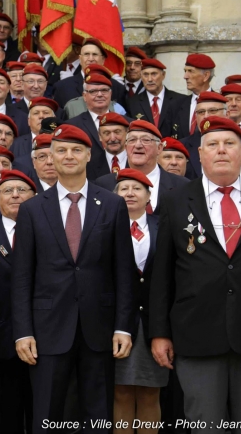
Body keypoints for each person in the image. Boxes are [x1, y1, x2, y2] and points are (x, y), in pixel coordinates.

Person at [149, 117, 241, 434]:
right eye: (212, 145)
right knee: (205, 427)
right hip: (196, 333)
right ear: (199, 154)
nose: (221, 151)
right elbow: (161, 271)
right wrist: (159, 332)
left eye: (229, 144)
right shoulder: (176, 200)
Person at [12, 123, 135, 434]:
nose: (69, 156)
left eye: (76, 150)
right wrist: (23, 332)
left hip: (100, 329)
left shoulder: (112, 204)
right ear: (50, 156)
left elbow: (124, 271)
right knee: (48, 416)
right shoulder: (31, 209)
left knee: (97, 417)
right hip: (47, 330)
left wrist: (123, 326)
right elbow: (22, 277)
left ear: (89, 155)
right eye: (61, 150)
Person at [111, 169, 168, 434]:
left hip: (154, 322)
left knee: (150, 393)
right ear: (114, 196)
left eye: (137, 188)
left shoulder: (164, 226)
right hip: (117, 323)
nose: (130, 193)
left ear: (148, 196)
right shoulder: (104, 226)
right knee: (120, 392)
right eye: (123, 188)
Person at [0, 170, 36, 434]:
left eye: (22, 190)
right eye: (7, 190)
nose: (15, 195)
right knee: (5, 417)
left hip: (43, 340)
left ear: (34, 196)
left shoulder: (47, 230)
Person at [94, 120, 190, 214]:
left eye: (146, 140)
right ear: (126, 147)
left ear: (159, 148)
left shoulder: (182, 185)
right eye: (132, 140)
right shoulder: (104, 185)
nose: (138, 145)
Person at [53, 38, 128, 110]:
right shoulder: (62, 87)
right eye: (86, 54)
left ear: (103, 60)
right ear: (80, 58)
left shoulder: (117, 87)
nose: (91, 59)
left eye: (95, 54)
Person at [128, 58, 187, 137]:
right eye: (145, 75)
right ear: (141, 77)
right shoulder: (132, 103)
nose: (149, 79)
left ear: (163, 75)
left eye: (154, 74)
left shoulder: (180, 100)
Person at [180, 91, 230, 179]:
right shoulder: (182, 147)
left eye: (213, 111)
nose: (206, 116)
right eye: (201, 112)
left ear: (227, 115)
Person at [169, 53, 215, 140]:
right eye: (185, 71)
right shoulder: (176, 105)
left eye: (190, 71)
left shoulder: (221, 103)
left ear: (206, 76)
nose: (185, 76)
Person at [10, 97, 57, 170]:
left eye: (46, 113)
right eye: (36, 113)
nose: (41, 116)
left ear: (54, 119)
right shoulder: (16, 144)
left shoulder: (62, 142)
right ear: (29, 121)